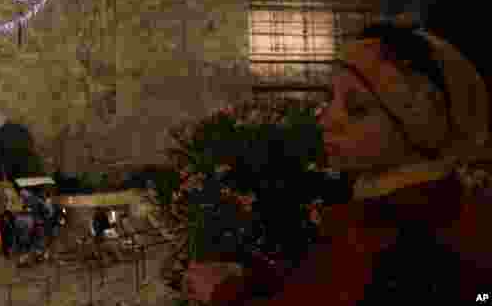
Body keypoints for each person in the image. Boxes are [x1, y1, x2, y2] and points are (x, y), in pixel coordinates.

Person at [185, 23, 492, 304]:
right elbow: (320, 286)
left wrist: (222, 293)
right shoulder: (400, 202)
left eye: (357, 108)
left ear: (420, 123)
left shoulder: (400, 231)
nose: (327, 119)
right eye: (330, 98)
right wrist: (253, 280)